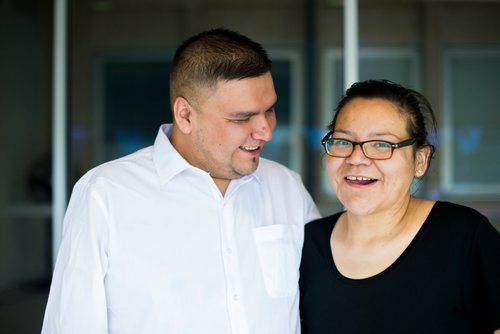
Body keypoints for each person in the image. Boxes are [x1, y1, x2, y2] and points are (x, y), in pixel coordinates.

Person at [42, 28, 320, 334]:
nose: (266, 131)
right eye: (242, 118)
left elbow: (325, 300)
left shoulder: (287, 187)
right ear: (185, 115)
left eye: (270, 111)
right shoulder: (104, 195)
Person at [299, 79, 500, 334]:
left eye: (382, 144)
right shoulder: (307, 245)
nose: (357, 158)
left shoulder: (464, 238)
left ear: (420, 159)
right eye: (343, 141)